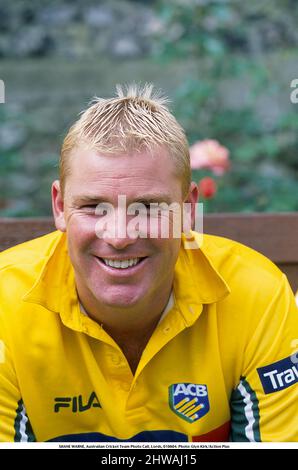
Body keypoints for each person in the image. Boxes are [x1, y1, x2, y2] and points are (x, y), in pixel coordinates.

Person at [0, 83, 297, 443]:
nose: (120, 235)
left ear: (188, 209)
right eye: (94, 206)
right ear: (60, 207)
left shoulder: (256, 296)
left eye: (149, 207)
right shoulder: (5, 303)